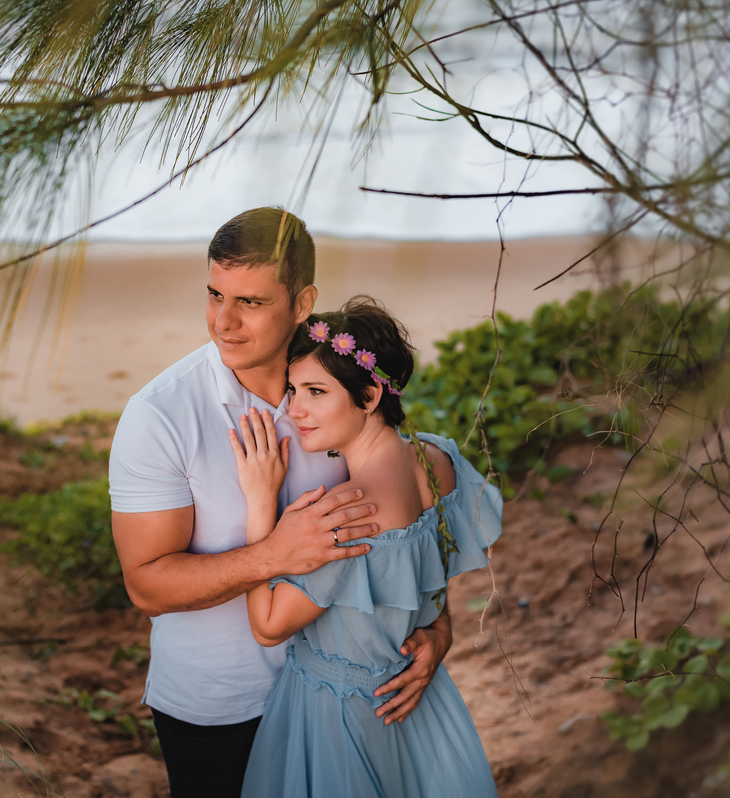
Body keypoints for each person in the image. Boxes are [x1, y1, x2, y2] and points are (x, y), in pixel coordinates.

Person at [109, 208, 456, 798]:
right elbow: (147, 585)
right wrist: (271, 554)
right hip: (224, 709)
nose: (224, 322)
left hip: (353, 695)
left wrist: (438, 625)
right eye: (215, 294)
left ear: (303, 302)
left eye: (251, 302)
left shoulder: (339, 385)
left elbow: (400, 517)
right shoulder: (159, 416)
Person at [232, 297, 501, 797]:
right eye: (292, 390)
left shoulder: (346, 513)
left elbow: (269, 626)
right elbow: (432, 580)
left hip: (337, 715)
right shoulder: (437, 459)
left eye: (316, 391)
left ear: (371, 394)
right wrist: (440, 631)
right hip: (414, 704)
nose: (295, 410)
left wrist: (258, 499)